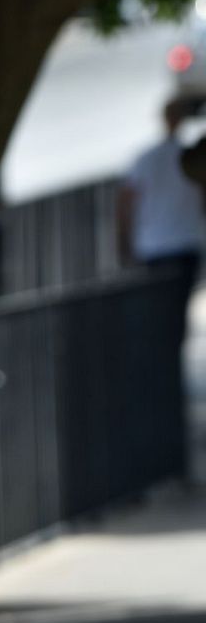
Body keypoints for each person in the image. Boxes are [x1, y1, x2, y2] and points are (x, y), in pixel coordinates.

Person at [117, 98, 206, 476]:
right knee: (169, 329)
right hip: (181, 247)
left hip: (157, 248)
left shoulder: (153, 157)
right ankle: (163, 398)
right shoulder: (177, 158)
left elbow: (126, 203)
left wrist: (124, 245)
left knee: (160, 329)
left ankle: (162, 399)